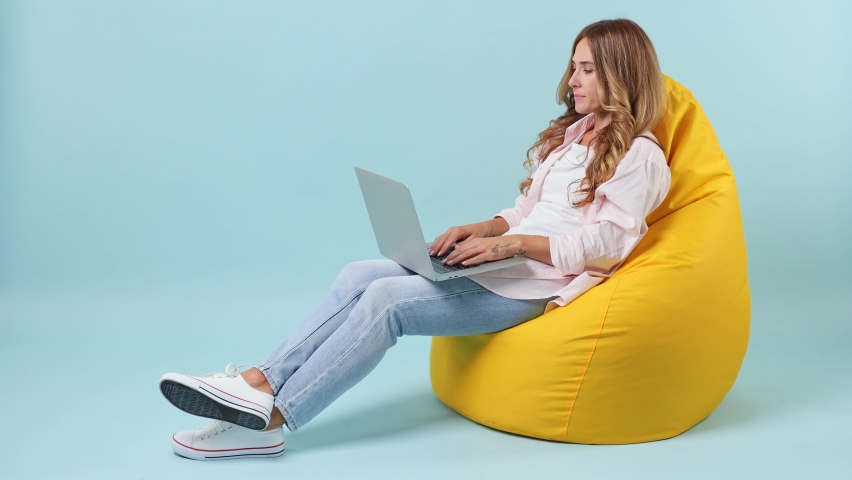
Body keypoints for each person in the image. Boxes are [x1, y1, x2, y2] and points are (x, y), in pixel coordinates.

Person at [158, 18, 671, 460]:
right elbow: (527, 213)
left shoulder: (641, 155)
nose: (571, 79)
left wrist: (512, 246)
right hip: (503, 265)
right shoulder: (574, 137)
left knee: (386, 302)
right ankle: (257, 383)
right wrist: (484, 229)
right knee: (359, 273)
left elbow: (606, 245)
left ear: (620, 74)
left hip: (534, 285)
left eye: (586, 69)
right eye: (573, 65)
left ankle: (269, 425)